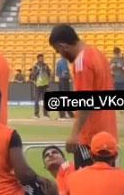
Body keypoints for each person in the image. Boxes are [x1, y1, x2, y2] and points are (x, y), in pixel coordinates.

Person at [48, 24, 117, 168]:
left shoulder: (81, 62)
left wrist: (74, 134)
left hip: (90, 139)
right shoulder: (98, 54)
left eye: (58, 50)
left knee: (85, 187)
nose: (61, 55)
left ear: (63, 46)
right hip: (108, 135)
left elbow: (85, 102)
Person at [110, 47, 124, 118]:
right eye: (115, 54)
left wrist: (121, 67)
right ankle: (115, 114)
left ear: (119, 52)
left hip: (123, 80)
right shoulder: (112, 60)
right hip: (115, 81)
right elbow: (108, 69)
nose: (116, 55)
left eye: (117, 54)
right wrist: (111, 68)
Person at [31, 54, 52, 119]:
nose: (42, 59)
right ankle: (36, 114)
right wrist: (37, 71)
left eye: (42, 58)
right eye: (40, 58)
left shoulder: (46, 66)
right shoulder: (35, 66)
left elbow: (49, 74)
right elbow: (33, 76)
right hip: (37, 85)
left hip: (45, 85)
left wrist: (48, 83)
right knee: (36, 100)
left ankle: (45, 114)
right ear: (38, 59)